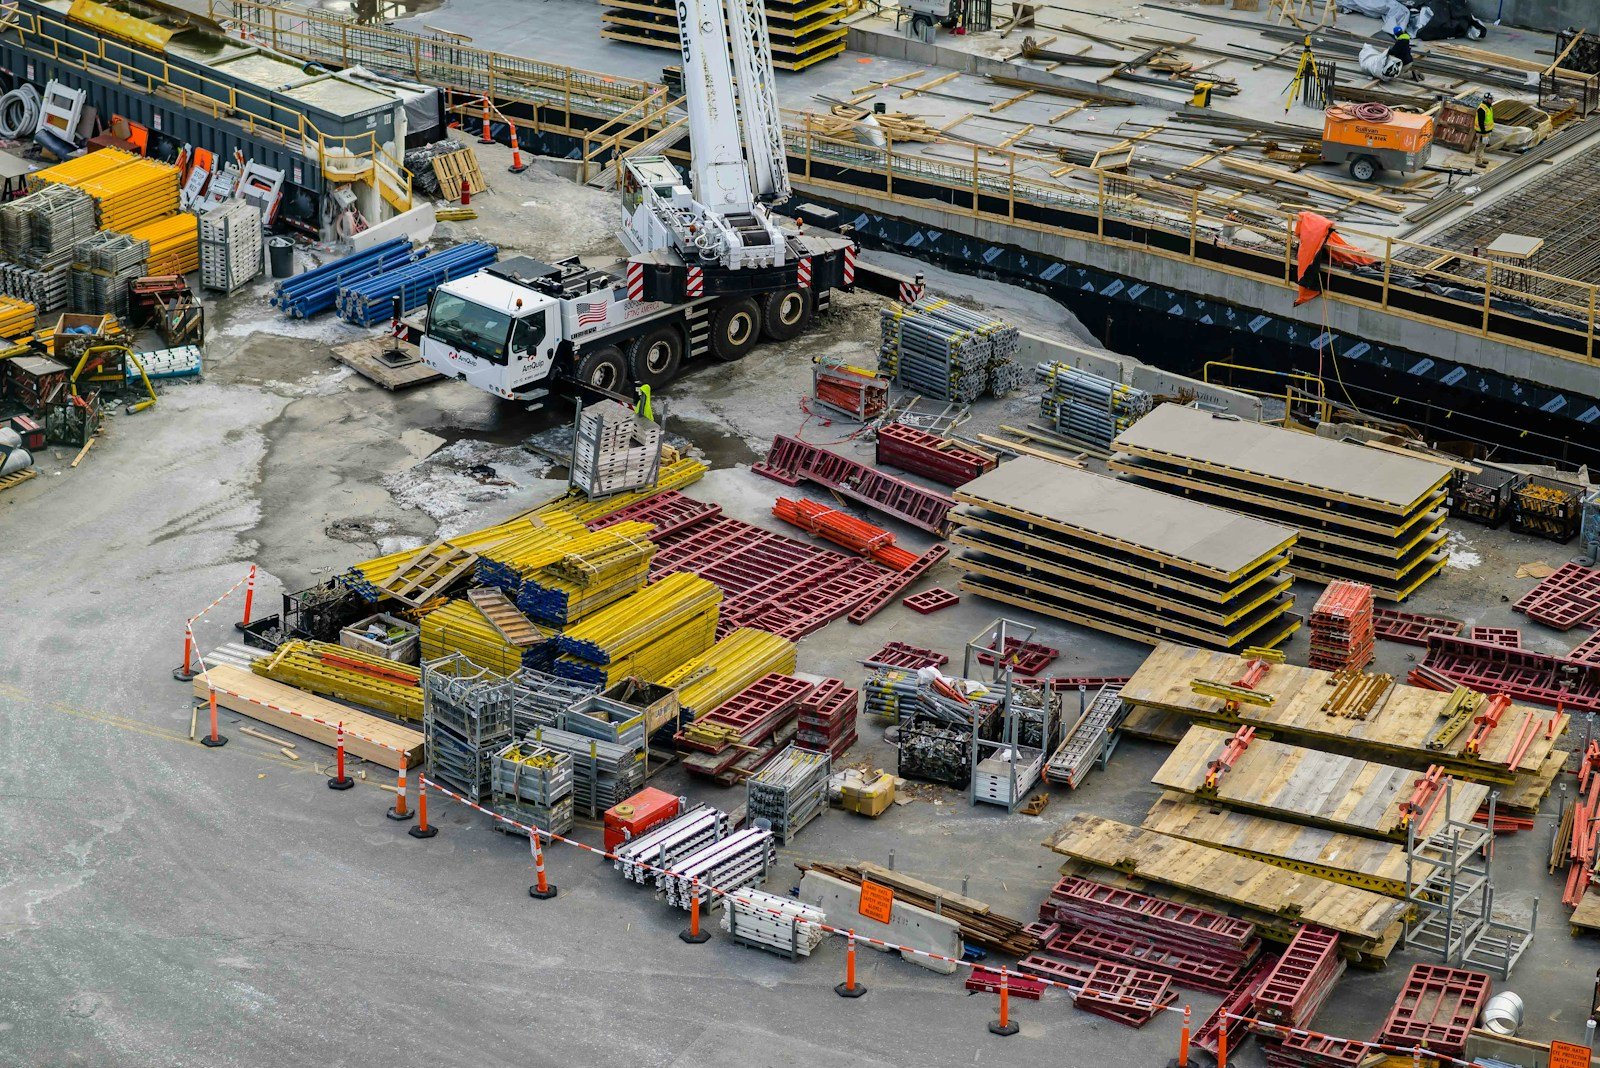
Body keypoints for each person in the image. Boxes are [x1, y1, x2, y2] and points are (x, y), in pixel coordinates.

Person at [1476, 92, 1495, 167]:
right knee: (1479, 146)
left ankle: (1481, 158)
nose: (1492, 100)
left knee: (1483, 146)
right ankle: (1478, 162)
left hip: (1487, 131)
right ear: (1486, 99)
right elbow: (1481, 122)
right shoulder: (1482, 109)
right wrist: (1484, 133)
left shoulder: (1488, 106)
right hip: (1482, 131)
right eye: (1490, 99)